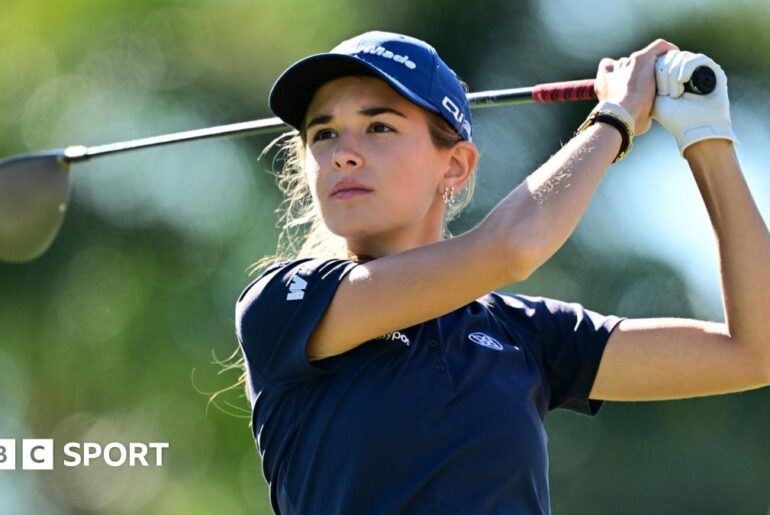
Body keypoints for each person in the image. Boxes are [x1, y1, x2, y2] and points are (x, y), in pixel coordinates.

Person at [231, 31, 770, 514]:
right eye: (323, 134)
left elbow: (755, 351)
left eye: (378, 127)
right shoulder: (286, 304)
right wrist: (615, 119)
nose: (344, 154)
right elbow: (513, 247)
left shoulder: (525, 334)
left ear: (456, 165)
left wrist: (706, 136)